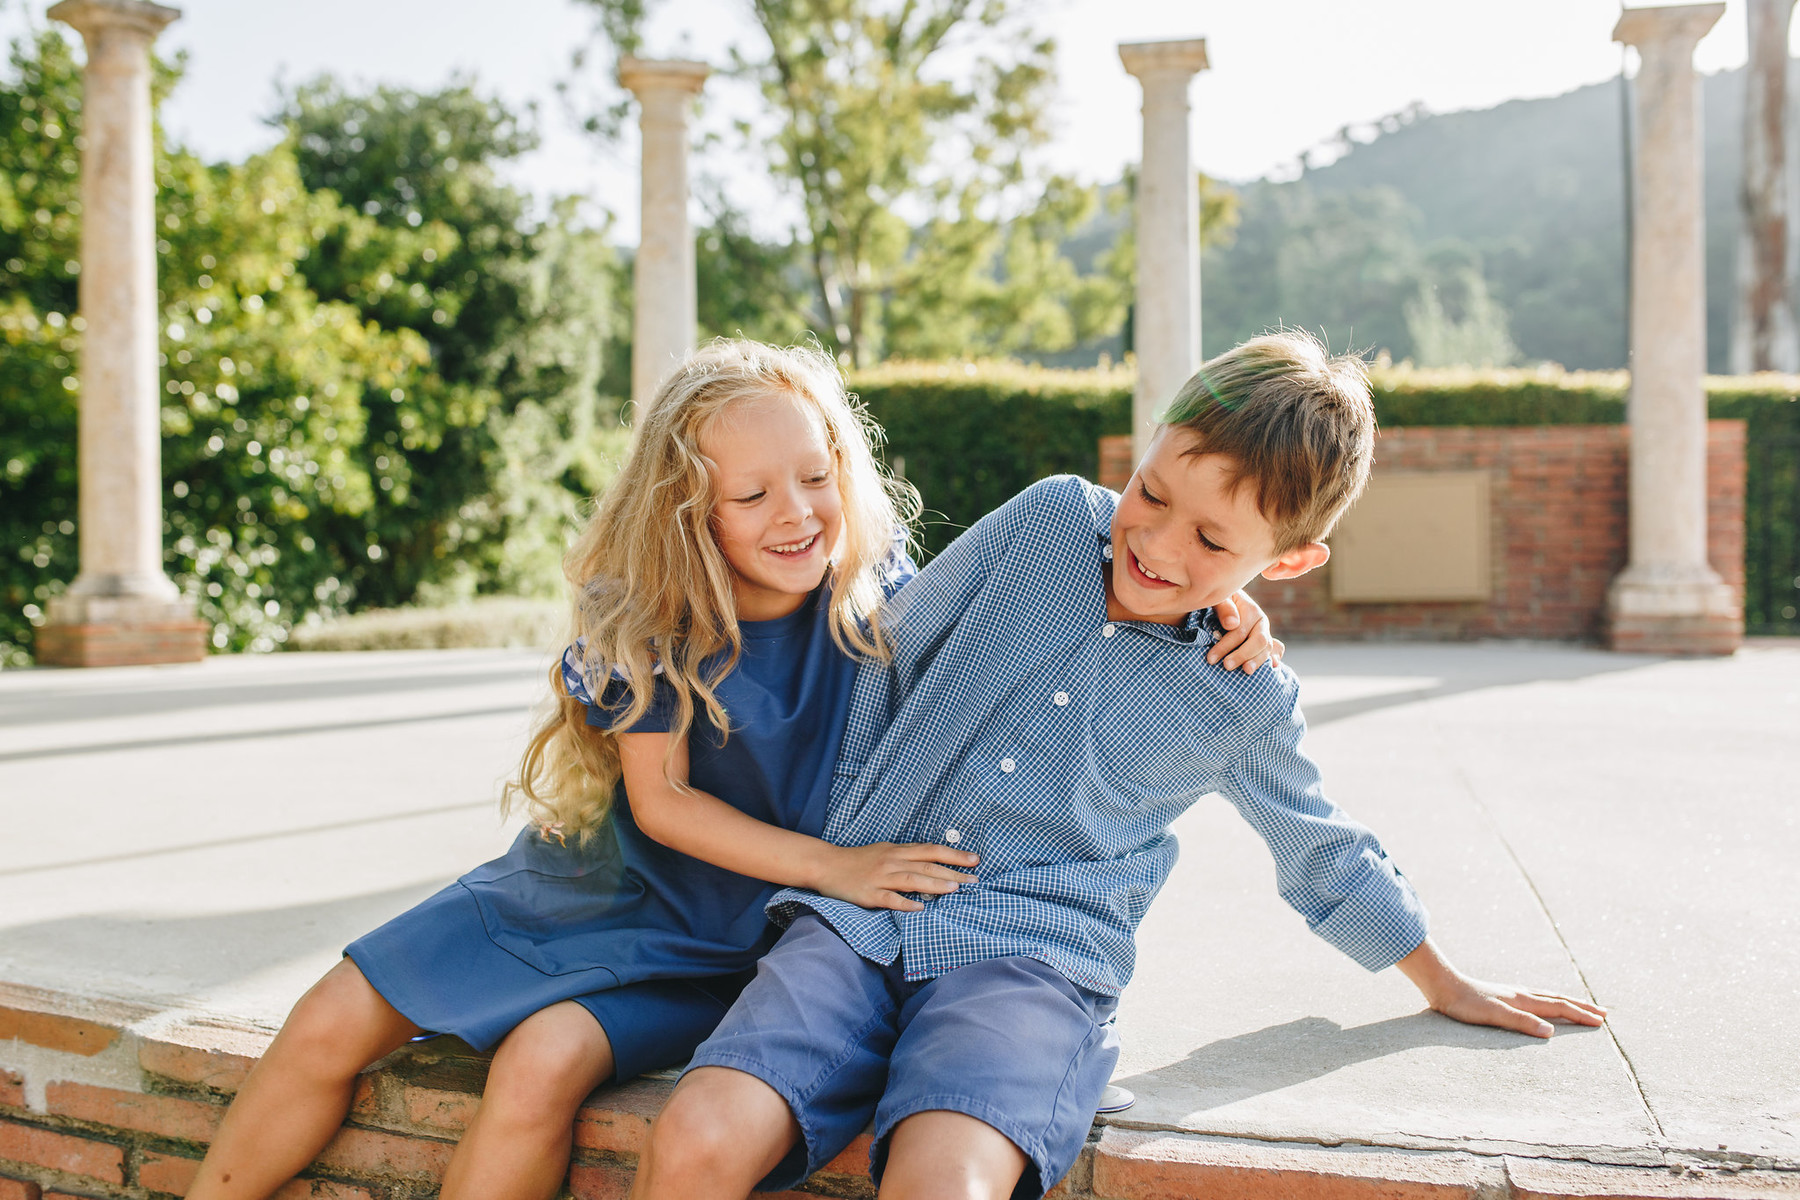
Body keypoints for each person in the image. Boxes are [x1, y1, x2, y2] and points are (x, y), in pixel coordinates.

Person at [184, 340, 1281, 1200]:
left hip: (735, 936)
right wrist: (840, 867)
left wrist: (1224, 599)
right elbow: (660, 807)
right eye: (750, 496)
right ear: (684, 509)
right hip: (596, 887)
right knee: (330, 1015)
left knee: (539, 1062)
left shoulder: (881, 596)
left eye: (814, 478)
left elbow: (1077, 580)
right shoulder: (654, 622)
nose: (796, 514)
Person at [627, 331, 1611, 1200]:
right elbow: (881, 643)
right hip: (855, 918)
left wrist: (1441, 980)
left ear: (1290, 560)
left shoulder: (1246, 695)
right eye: (1153, 491)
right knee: (700, 1135)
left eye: (1214, 539)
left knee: (947, 1180)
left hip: (1036, 957)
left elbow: (1322, 850)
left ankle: (1033, 1065)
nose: (1155, 539)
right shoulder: (1049, 522)